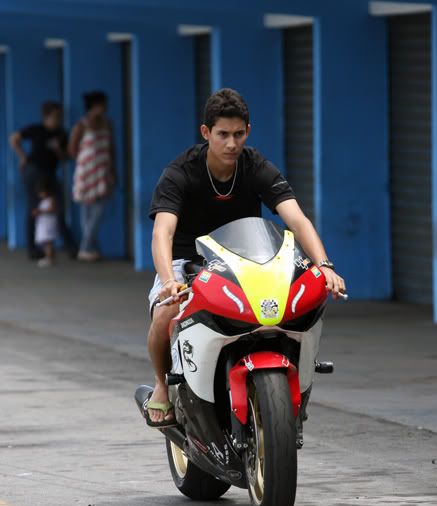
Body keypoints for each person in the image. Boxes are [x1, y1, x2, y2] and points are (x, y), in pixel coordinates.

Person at [146, 88, 346, 427]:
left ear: (248, 131)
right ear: (206, 132)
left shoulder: (255, 166)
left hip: (245, 261)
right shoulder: (180, 172)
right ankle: (162, 385)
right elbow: (162, 233)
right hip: (187, 263)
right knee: (165, 315)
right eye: (223, 134)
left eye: (239, 134)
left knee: (296, 306)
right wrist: (168, 281)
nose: (231, 144)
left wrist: (325, 266)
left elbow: (296, 219)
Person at [9, 101, 76, 260]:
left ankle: (69, 246)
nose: (57, 120)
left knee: (57, 207)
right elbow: (14, 138)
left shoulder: (61, 134)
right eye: (54, 117)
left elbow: (66, 158)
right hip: (34, 171)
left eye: (59, 117)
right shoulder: (37, 130)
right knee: (33, 207)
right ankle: (33, 249)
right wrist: (22, 156)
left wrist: (58, 149)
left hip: (50, 173)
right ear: (46, 117)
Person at [68, 91, 117, 262]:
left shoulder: (107, 124)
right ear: (94, 106)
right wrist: (87, 159)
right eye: (102, 104)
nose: (104, 108)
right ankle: (89, 248)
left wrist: (113, 171)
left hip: (103, 171)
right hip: (86, 172)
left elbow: (111, 149)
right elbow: (72, 149)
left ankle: (86, 247)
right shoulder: (81, 125)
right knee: (87, 213)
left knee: (98, 211)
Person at [32, 177, 59, 268]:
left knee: (48, 242)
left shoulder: (51, 200)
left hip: (48, 224)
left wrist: (40, 211)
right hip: (44, 224)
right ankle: (51, 256)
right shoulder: (43, 201)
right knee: (46, 242)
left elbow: (52, 209)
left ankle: (49, 258)